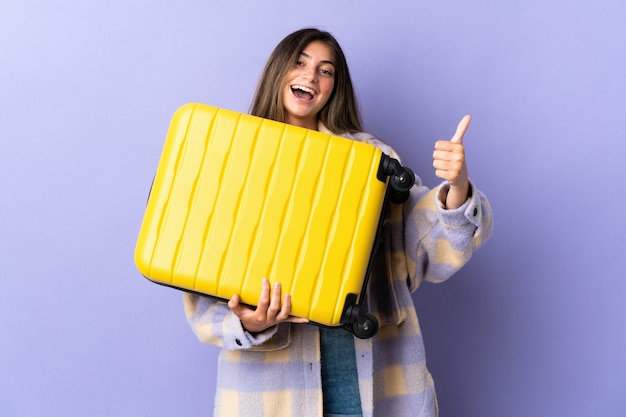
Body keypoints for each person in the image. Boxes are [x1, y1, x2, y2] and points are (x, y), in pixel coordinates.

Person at [183, 27, 493, 417]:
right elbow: (197, 279)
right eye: (300, 62)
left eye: (325, 70)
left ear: (334, 87)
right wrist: (245, 321)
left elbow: (423, 244)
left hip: (374, 376)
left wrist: (457, 185)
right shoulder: (230, 160)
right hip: (270, 391)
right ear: (278, 70)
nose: (311, 76)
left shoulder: (371, 160)